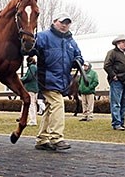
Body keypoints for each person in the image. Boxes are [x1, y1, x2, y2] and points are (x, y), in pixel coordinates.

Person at [34, 12, 84, 151]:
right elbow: (29, 48)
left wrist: (78, 61)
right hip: (46, 78)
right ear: (55, 21)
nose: (64, 25)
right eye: (62, 22)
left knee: (50, 108)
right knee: (57, 104)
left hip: (62, 80)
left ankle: (42, 139)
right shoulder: (43, 36)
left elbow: (79, 55)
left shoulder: (71, 41)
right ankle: (57, 138)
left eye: (67, 23)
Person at [104, 34, 125, 131]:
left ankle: (122, 122)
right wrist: (113, 76)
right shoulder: (112, 53)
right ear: (117, 44)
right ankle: (116, 123)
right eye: (123, 42)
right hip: (117, 81)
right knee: (116, 103)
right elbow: (107, 65)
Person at [19, 56, 38, 126]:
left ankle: (33, 120)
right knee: (25, 103)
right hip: (33, 88)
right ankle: (21, 117)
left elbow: (29, 77)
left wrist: (20, 80)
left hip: (30, 88)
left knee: (31, 104)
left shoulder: (32, 67)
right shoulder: (34, 67)